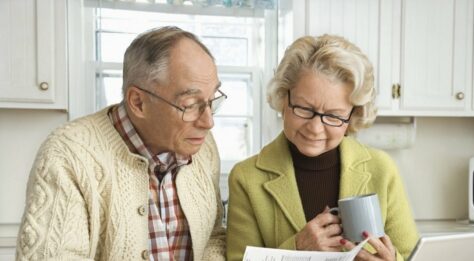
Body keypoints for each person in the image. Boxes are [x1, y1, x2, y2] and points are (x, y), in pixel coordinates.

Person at [16, 26, 226, 260]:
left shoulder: (203, 147)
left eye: (212, 100)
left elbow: (213, 236)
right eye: (189, 104)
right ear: (138, 102)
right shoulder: (67, 154)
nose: (208, 122)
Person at [226, 34, 418, 261]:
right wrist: (297, 248)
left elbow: (412, 255)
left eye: (333, 116)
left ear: (352, 115)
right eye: (305, 109)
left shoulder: (381, 169)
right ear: (283, 98)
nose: (315, 128)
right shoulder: (246, 178)